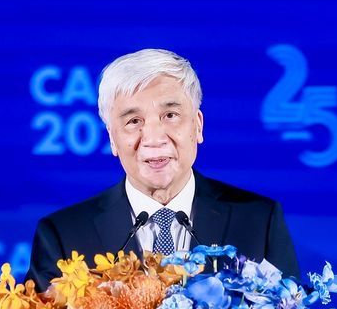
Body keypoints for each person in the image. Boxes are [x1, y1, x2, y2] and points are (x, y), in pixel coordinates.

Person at [27, 48, 299, 288]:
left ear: (197, 125)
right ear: (112, 138)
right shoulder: (63, 237)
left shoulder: (258, 221)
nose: (154, 138)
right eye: (134, 121)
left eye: (170, 115)